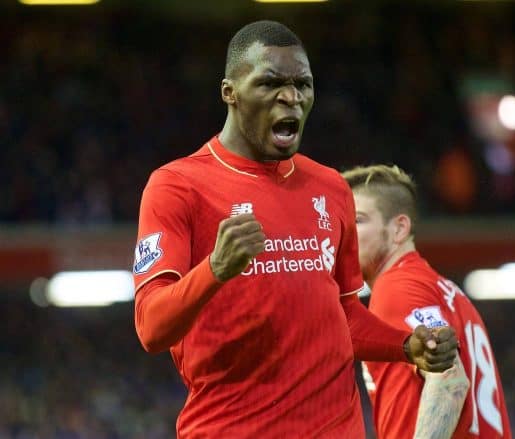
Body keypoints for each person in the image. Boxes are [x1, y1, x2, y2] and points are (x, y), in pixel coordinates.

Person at [132, 21, 457, 438]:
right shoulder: (178, 187)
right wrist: (215, 268)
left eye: (302, 84)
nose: (291, 97)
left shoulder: (331, 187)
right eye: (270, 83)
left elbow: (344, 316)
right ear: (230, 92)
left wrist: (407, 345)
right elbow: (150, 327)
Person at [342, 164, 512, 438]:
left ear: (399, 229)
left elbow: (450, 380)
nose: (345, 232)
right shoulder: (440, 288)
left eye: (358, 220)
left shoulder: (398, 287)